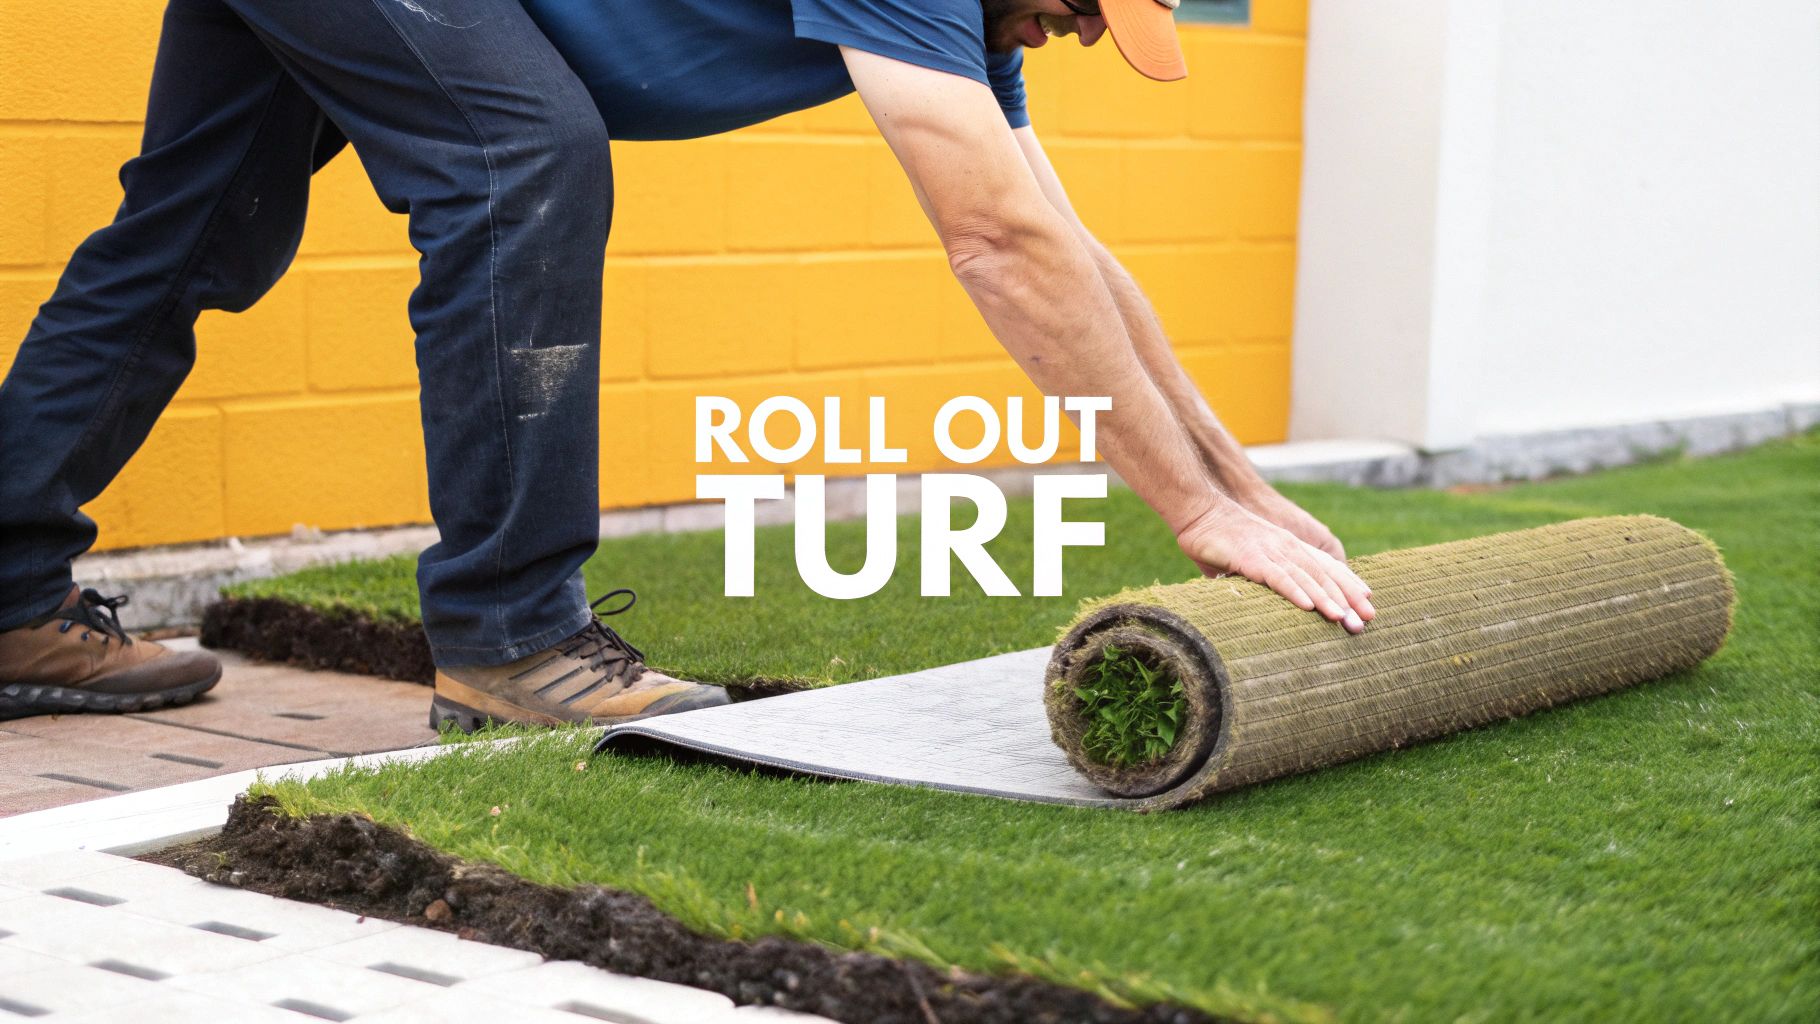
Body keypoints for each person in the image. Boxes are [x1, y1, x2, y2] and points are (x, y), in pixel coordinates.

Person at [0, 0, 1373, 731]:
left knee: (183, 241)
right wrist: (1188, 511)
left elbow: (1071, 252)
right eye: (1086, 3)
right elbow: (999, 246)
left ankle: (4, 592)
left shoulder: (964, 25)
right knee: (518, 157)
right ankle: (512, 635)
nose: (1079, 34)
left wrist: (1235, 487)